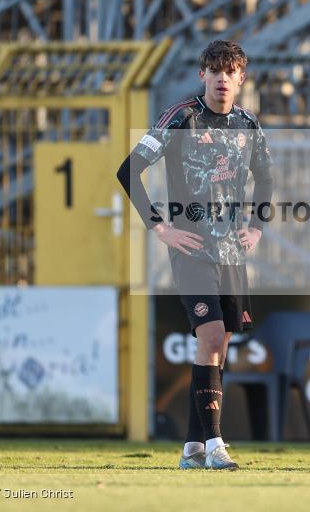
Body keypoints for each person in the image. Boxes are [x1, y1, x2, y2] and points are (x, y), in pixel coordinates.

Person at [117, 40, 273, 470]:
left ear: (241, 78)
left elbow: (266, 180)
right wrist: (160, 228)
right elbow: (128, 170)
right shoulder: (181, 117)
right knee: (209, 337)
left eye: (231, 71)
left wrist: (256, 227)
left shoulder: (247, 124)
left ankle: (192, 447)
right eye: (215, 71)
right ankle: (217, 444)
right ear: (202, 75)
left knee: (218, 346)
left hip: (232, 252)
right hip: (192, 248)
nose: (223, 79)